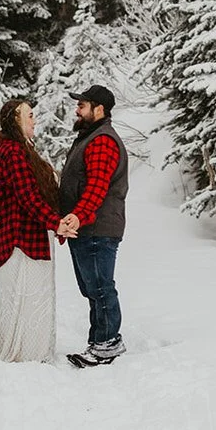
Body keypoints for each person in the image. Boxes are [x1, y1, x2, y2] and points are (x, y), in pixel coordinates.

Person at [0, 98, 77, 362]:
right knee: (27, 299)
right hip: (21, 239)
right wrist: (56, 223)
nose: (34, 119)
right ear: (15, 120)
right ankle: (27, 355)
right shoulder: (13, 152)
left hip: (28, 236)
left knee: (30, 298)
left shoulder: (17, 149)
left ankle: (32, 353)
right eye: (29, 115)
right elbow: (27, 197)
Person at [58, 84, 128, 367]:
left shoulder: (102, 141)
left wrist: (79, 214)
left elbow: (97, 187)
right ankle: (99, 341)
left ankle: (108, 343)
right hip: (86, 227)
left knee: (100, 287)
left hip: (97, 227)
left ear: (99, 109)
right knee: (92, 288)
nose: (77, 109)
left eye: (83, 105)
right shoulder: (89, 138)